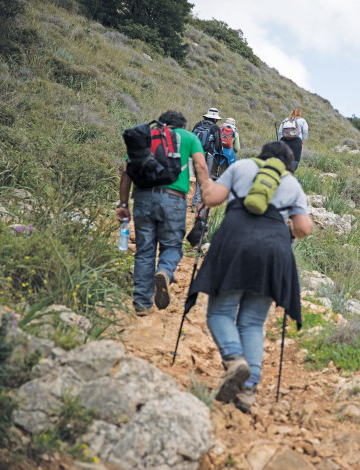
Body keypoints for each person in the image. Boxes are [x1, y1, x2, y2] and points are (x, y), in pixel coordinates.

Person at [189, 141, 313, 413]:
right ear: (287, 163)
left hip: (234, 241)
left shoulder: (241, 166)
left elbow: (211, 199)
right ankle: (248, 390)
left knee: (220, 313)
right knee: (253, 322)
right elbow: (303, 227)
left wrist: (203, 177)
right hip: (273, 251)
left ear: (262, 155)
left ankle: (234, 360)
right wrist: (291, 226)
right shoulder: (291, 183)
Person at [116, 110, 210, 314]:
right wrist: (204, 200)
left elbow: (126, 171)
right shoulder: (188, 137)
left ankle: (141, 302)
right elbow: (202, 167)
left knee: (144, 251)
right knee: (173, 246)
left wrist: (123, 203)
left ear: (161, 123)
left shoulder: (145, 136)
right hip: (173, 198)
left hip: (142, 198)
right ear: (182, 125)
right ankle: (165, 271)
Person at [191, 108, 223, 210]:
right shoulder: (215, 128)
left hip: (194, 153)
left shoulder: (198, 124)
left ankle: (188, 200)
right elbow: (218, 145)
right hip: (207, 154)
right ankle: (196, 203)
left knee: (195, 176)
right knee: (204, 177)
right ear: (216, 119)